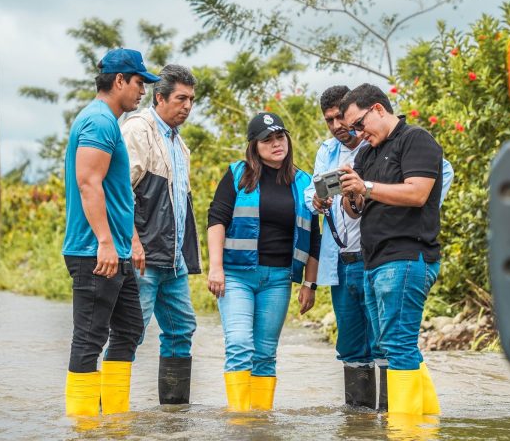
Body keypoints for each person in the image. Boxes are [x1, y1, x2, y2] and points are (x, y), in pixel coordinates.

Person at [305, 86, 454, 411]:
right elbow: (355, 209)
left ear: (377, 109)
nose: (355, 132)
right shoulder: (366, 154)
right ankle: (417, 422)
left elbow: (418, 194)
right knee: (388, 344)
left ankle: (404, 429)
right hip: (374, 261)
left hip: (406, 256)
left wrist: (366, 187)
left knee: (396, 347)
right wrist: (350, 196)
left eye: (358, 124)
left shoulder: (416, 140)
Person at [62, 48, 160, 418]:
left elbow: (117, 194)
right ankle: (84, 426)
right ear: (119, 81)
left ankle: (114, 420)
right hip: (94, 250)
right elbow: (89, 183)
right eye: (138, 83)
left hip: (114, 248)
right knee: (89, 339)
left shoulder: (107, 122)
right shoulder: (99, 122)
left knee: (130, 326)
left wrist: (130, 240)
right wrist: (104, 241)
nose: (142, 92)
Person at [206, 112, 321, 412]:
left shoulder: (305, 182)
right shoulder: (237, 174)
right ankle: (240, 420)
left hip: (279, 278)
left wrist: (310, 283)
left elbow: (315, 237)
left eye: (279, 137)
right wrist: (215, 267)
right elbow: (216, 219)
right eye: (266, 140)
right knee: (241, 345)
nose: (275, 144)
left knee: (266, 353)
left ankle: (260, 422)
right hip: (236, 276)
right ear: (254, 146)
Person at [121, 64, 201, 405]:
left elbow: (180, 205)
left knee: (182, 331)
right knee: (130, 333)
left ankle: (174, 416)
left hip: (173, 260)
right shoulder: (138, 130)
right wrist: (134, 243)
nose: (187, 106)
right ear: (160, 97)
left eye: (191, 99)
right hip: (144, 257)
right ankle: (104, 413)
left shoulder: (178, 143)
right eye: (180, 98)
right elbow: (120, 192)